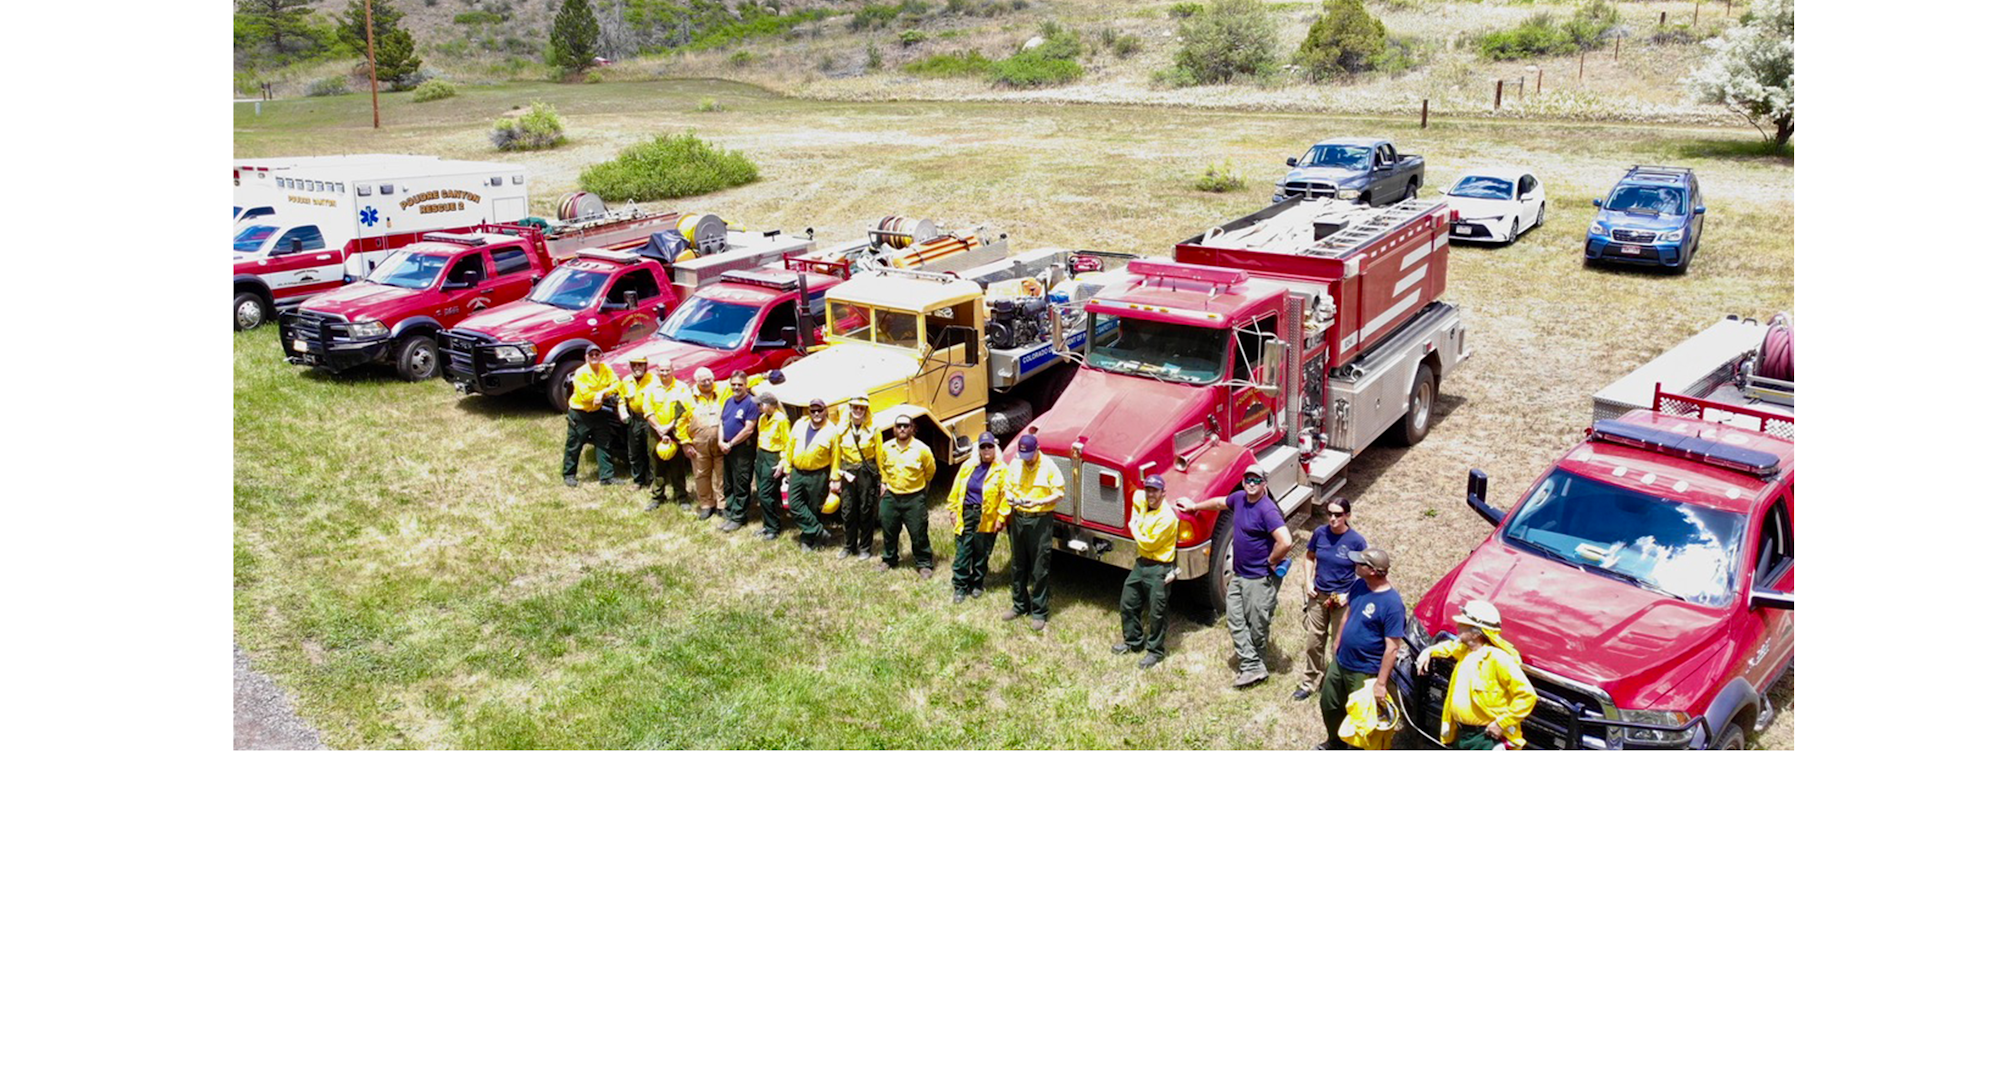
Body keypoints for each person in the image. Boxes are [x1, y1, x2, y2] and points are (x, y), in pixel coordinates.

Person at [1175, 469, 1292, 687]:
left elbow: (1285, 541)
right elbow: (1220, 503)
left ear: (1264, 483)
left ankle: (1256, 662)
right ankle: (1251, 665)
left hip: (1259, 578)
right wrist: (1194, 506)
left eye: (1257, 480)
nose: (1251, 483)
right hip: (1239, 576)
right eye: (1248, 479)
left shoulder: (1267, 510)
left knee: (1258, 623)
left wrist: (1271, 561)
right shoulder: (1239, 499)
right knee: (1235, 619)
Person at [1414, 600, 1536, 750]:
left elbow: (1527, 696)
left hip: (1486, 738)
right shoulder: (1466, 650)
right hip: (1462, 734)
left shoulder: (1499, 659)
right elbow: (1450, 647)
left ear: (1476, 633)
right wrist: (1429, 651)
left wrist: (1501, 723)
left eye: (1463, 625)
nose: (1457, 627)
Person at [1318, 547, 1405, 750]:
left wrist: (1381, 684)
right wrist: (1337, 641)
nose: (1354, 565)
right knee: (1329, 703)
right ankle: (1335, 742)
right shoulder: (1360, 585)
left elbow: (1392, 648)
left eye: (1360, 563)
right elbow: (1348, 614)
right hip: (1341, 661)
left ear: (1373, 570)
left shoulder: (1392, 604)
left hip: (1364, 670)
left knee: (1361, 714)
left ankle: (1357, 749)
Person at [1293, 497, 1368, 701]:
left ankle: (1333, 683)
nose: (1333, 519)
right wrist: (1308, 582)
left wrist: (1348, 595)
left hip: (1341, 599)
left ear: (1347, 516)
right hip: (1318, 595)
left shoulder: (1356, 542)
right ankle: (1310, 682)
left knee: (1339, 643)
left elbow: (1365, 574)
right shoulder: (1320, 534)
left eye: (1338, 515)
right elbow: (1309, 557)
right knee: (1313, 640)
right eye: (1330, 514)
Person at [1001, 433, 1065, 632]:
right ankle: (1019, 605)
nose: (1027, 461)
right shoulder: (1016, 463)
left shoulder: (1049, 467)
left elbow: (1059, 493)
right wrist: (1011, 497)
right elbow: (1007, 486)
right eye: (1024, 456)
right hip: (1019, 517)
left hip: (1040, 520)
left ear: (1037, 450)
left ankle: (1039, 611)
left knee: (1039, 566)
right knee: (1018, 564)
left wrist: (1040, 502)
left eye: (1030, 456)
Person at [1115, 474, 1180, 668]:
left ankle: (1155, 651)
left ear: (1163, 493)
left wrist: (1133, 527)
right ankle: (1133, 642)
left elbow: (1149, 543)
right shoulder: (1141, 498)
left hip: (1159, 568)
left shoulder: (1167, 518)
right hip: (1141, 564)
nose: (1150, 494)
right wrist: (1135, 516)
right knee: (1128, 602)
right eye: (1148, 489)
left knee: (1156, 612)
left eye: (1155, 490)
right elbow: (1134, 497)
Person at [947, 432, 1009, 602]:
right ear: (979, 449)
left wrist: (1001, 518)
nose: (987, 449)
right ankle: (960, 586)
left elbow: (1006, 497)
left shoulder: (1002, 470)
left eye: (990, 446)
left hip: (987, 517)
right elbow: (956, 489)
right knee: (963, 551)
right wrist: (952, 510)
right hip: (967, 513)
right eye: (983, 446)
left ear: (995, 448)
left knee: (982, 552)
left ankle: (977, 584)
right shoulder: (968, 466)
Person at [877, 412, 937, 576]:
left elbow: (930, 470)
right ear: (894, 429)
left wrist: (922, 490)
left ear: (912, 428)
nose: (902, 429)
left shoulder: (922, 449)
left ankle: (924, 563)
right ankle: (889, 559)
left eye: (906, 426)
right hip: (891, 496)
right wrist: (884, 483)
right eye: (899, 426)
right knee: (889, 529)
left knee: (918, 532)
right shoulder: (886, 448)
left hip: (914, 497)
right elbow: (882, 467)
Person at [780, 398, 839, 551]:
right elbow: (790, 446)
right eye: (813, 410)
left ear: (825, 410)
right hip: (797, 472)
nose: (816, 413)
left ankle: (809, 539)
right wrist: (787, 467)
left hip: (818, 474)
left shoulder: (832, 430)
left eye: (820, 410)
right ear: (809, 411)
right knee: (794, 504)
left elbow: (836, 457)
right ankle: (820, 532)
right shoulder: (800, 424)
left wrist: (834, 478)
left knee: (813, 507)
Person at [561, 346, 622, 486]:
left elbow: (617, 384)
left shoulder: (605, 368)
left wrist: (602, 394)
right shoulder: (581, 373)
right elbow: (585, 395)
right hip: (580, 414)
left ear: (601, 356)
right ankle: (569, 475)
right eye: (591, 355)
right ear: (586, 357)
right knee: (574, 444)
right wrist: (600, 394)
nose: (594, 357)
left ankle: (606, 477)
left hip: (598, 412)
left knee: (603, 443)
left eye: (597, 354)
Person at [830, 397, 882, 560]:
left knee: (866, 509)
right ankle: (849, 546)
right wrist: (835, 477)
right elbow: (836, 455)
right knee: (847, 510)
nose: (858, 411)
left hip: (866, 473)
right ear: (850, 408)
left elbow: (879, 455)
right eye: (855, 408)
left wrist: (884, 479)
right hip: (847, 472)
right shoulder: (841, 430)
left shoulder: (874, 429)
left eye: (862, 408)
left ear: (866, 410)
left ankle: (865, 547)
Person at [715, 371, 760, 531]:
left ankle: (739, 517)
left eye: (739, 384)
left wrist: (731, 443)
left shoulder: (751, 403)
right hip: (726, 447)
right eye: (733, 384)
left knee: (741, 482)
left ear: (746, 385)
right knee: (728, 482)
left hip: (741, 449)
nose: (736, 387)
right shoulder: (728, 401)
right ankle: (730, 511)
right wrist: (720, 441)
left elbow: (749, 429)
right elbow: (722, 422)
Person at [683, 367, 728, 519]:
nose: (708, 383)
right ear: (697, 381)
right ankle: (706, 504)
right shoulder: (687, 397)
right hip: (698, 446)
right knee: (701, 475)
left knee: (722, 475)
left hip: (720, 444)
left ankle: (722, 505)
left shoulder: (722, 389)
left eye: (710, 379)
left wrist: (765, 376)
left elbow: (743, 380)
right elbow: (679, 422)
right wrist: (685, 443)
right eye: (704, 381)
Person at [615, 356, 662, 490]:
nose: (637, 368)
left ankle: (654, 480)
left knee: (651, 450)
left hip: (650, 418)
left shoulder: (653, 380)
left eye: (640, 365)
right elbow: (621, 400)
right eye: (634, 365)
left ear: (645, 366)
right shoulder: (626, 381)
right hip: (634, 419)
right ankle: (638, 480)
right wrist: (623, 412)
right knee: (634, 451)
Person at [751, 389, 791, 541]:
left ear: (771, 405)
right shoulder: (762, 419)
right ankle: (767, 524)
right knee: (761, 489)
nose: (759, 407)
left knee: (765, 494)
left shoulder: (781, 420)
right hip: (761, 455)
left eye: (761, 404)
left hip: (773, 457)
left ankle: (773, 527)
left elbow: (787, 443)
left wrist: (782, 462)